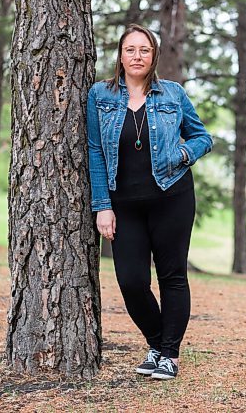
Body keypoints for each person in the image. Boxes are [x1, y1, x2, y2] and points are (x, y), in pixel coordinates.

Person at [87, 23, 213, 380]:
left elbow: (203, 137)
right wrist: (102, 205)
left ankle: (169, 354)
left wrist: (184, 154)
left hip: (172, 196)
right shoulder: (100, 95)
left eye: (144, 50)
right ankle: (156, 343)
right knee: (130, 281)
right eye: (131, 49)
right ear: (121, 56)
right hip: (123, 204)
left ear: (154, 55)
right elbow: (96, 151)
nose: (137, 56)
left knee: (172, 275)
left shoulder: (172, 93)